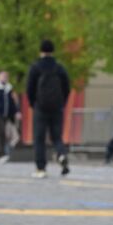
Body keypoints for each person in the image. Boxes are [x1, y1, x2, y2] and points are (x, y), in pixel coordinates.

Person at [26, 41, 71, 178]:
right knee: (57, 137)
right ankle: (61, 154)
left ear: (41, 51)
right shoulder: (59, 68)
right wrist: (62, 102)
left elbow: (29, 88)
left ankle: (41, 168)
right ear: (53, 51)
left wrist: (34, 103)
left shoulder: (35, 67)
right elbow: (67, 87)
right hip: (57, 107)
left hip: (40, 107)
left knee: (39, 138)